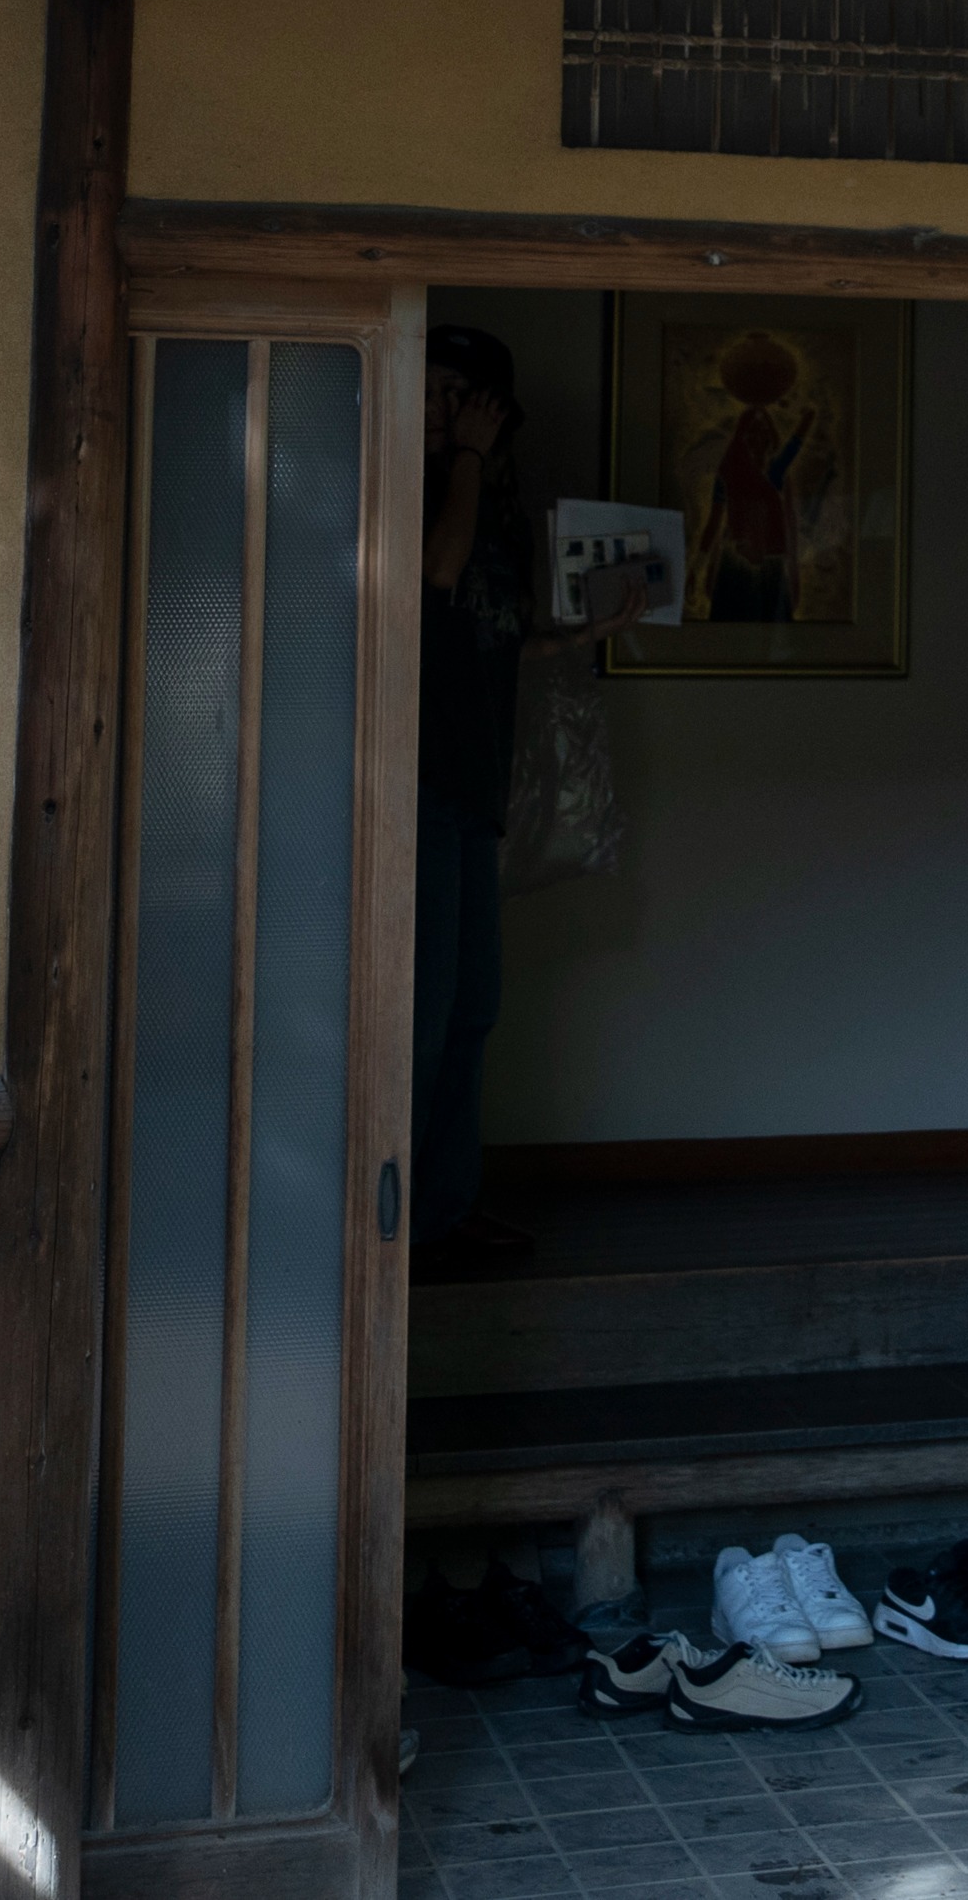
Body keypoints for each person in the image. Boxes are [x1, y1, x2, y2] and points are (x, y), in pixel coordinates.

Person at [416, 324, 541, 1274]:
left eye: (463, 396)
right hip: (410, 787)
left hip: (473, 785)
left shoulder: (493, 502)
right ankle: (396, 1222)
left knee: (473, 1009)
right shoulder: (410, 485)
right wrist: (461, 458)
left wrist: (591, 628)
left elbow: (501, 632)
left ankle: (443, 1210)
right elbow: (437, 571)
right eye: (436, 389)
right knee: (419, 1013)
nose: (445, 408)